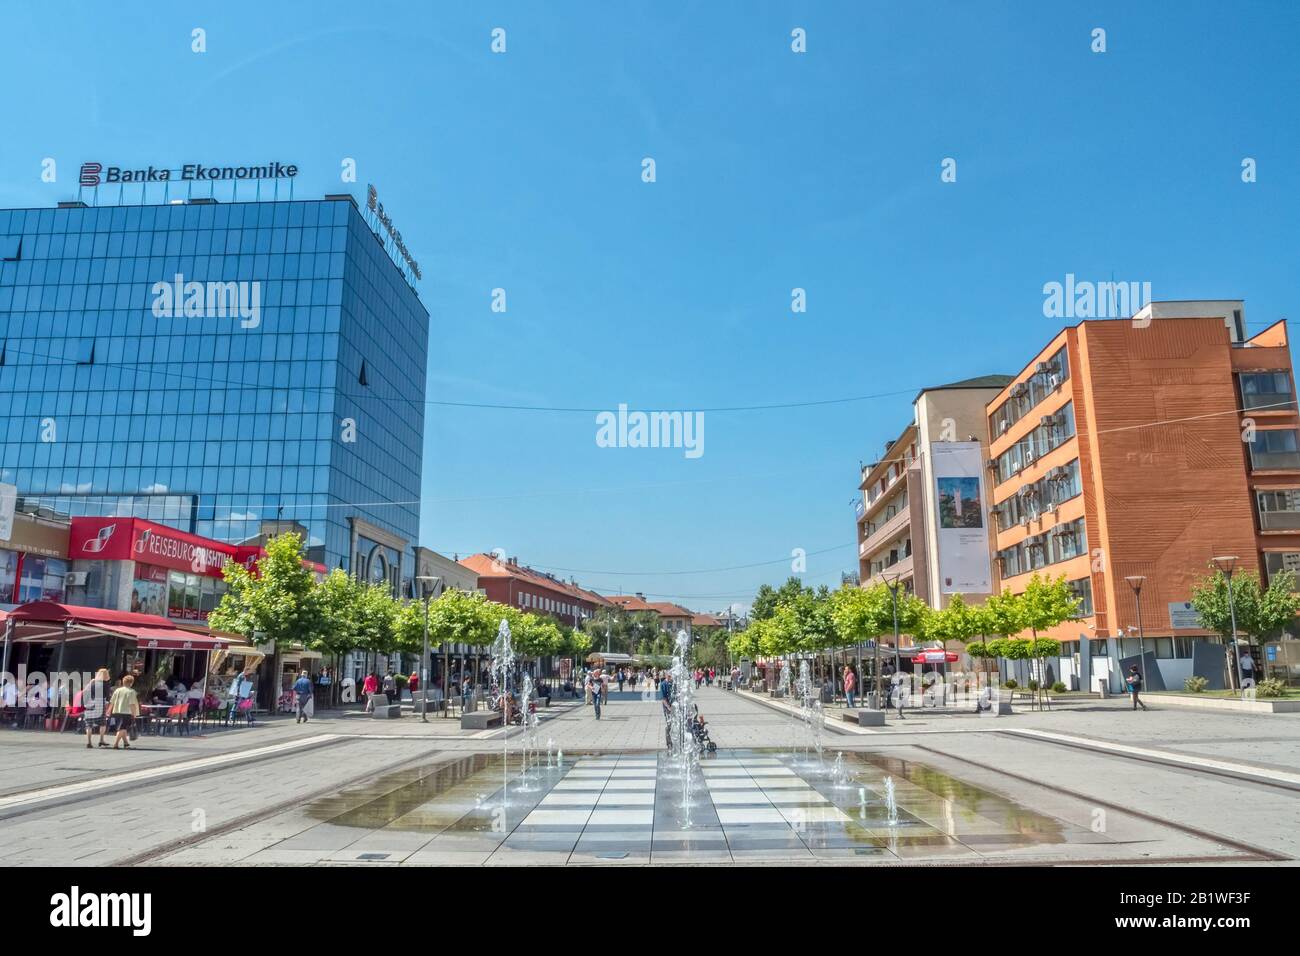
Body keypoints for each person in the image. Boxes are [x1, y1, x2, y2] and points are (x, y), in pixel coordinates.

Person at [82, 668, 111, 749]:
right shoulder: (106, 684)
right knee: (102, 723)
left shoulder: (92, 683)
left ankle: (89, 742)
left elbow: (84, 692)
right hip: (100, 705)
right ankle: (101, 740)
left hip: (89, 704)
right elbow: (107, 696)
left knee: (89, 724)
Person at [109, 675, 140, 750]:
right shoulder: (131, 692)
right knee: (122, 728)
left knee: (123, 728)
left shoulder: (117, 690)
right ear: (131, 683)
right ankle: (115, 744)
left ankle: (126, 743)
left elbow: (112, 701)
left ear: (123, 682)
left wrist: (109, 710)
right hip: (126, 712)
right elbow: (132, 704)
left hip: (117, 711)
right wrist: (134, 714)